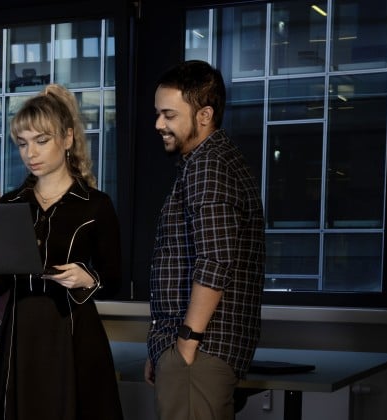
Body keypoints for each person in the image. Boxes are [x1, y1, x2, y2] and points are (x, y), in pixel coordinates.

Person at [0, 84, 124, 420]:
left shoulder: (96, 205)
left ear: (68, 138)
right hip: (19, 331)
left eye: (41, 140)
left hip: (73, 331)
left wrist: (90, 278)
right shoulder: (9, 204)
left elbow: (115, 279)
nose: (31, 152)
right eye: (23, 143)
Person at [143, 59, 265, 420]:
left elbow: (215, 260)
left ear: (204, 115)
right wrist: (163, 348)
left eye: (168, 114)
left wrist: (185, 344)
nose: (158, 124)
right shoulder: (211, 161)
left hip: (200, 350)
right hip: (192, 350)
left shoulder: (208, 166)